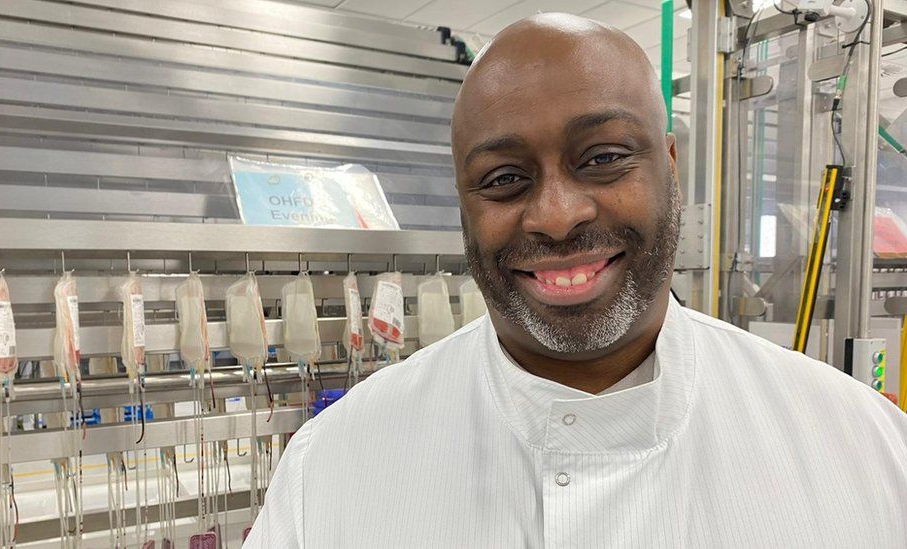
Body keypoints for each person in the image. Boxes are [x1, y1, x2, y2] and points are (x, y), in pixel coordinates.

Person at [245, 14, 907, 547]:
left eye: (604, 159)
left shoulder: (867, 451)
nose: (558, 215)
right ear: (464, 203)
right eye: (505, 178)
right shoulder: (331, 472)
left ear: (671, 167)